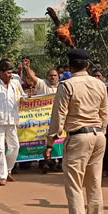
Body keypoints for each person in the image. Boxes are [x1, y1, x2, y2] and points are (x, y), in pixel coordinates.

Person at [44, 49, 108, 214]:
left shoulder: (66, 85)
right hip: (98, 135)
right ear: (87, 65)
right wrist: (102, 132)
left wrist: (50, 143)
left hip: (78, 136)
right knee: (94, 184)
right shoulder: (100, 84)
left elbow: (58, 116)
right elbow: (104, 114)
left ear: (70, 68)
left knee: (75, 186)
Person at [0, 59, 26, 186]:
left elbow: (21, 94)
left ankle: (7, 170)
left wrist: (23, 98)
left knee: (15, 147)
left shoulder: (15, 83)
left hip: (12, 120)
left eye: (11, 72)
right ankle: (2, 175)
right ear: (1, 73)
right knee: (0, 148)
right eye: (8, 72)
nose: (10, 75)